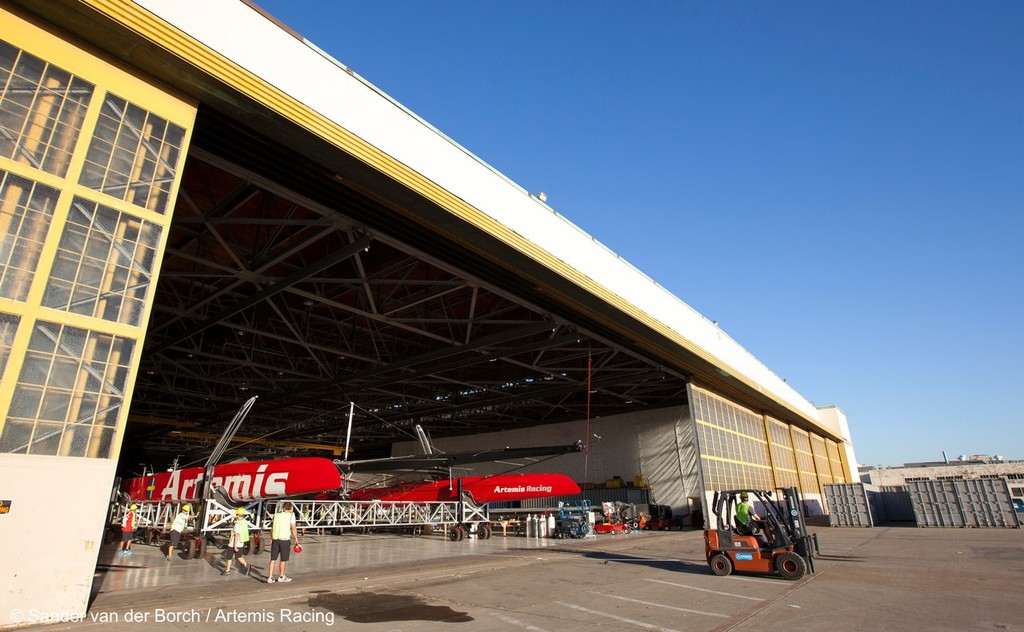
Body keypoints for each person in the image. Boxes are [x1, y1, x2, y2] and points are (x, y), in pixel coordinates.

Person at [266, 502, 300, 584]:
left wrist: (272, 538)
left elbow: (272, 528)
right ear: (291, 508)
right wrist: (296, 539)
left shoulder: (277, 515)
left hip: (275, 538)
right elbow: (293, 528)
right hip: (284, 539)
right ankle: (281, 576)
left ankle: (270, 577)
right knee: (283, 559)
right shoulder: (291, 515)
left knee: (273, 559)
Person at [223, 507, 253, 576]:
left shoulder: (237, 524)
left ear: (237, 515)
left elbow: (236, 535)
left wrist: (235, 545)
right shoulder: (244, 523)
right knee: (238, 557)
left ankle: (228, 570)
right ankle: (246, 565)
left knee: (229, 557)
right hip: (241, 543)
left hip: (233, 543)